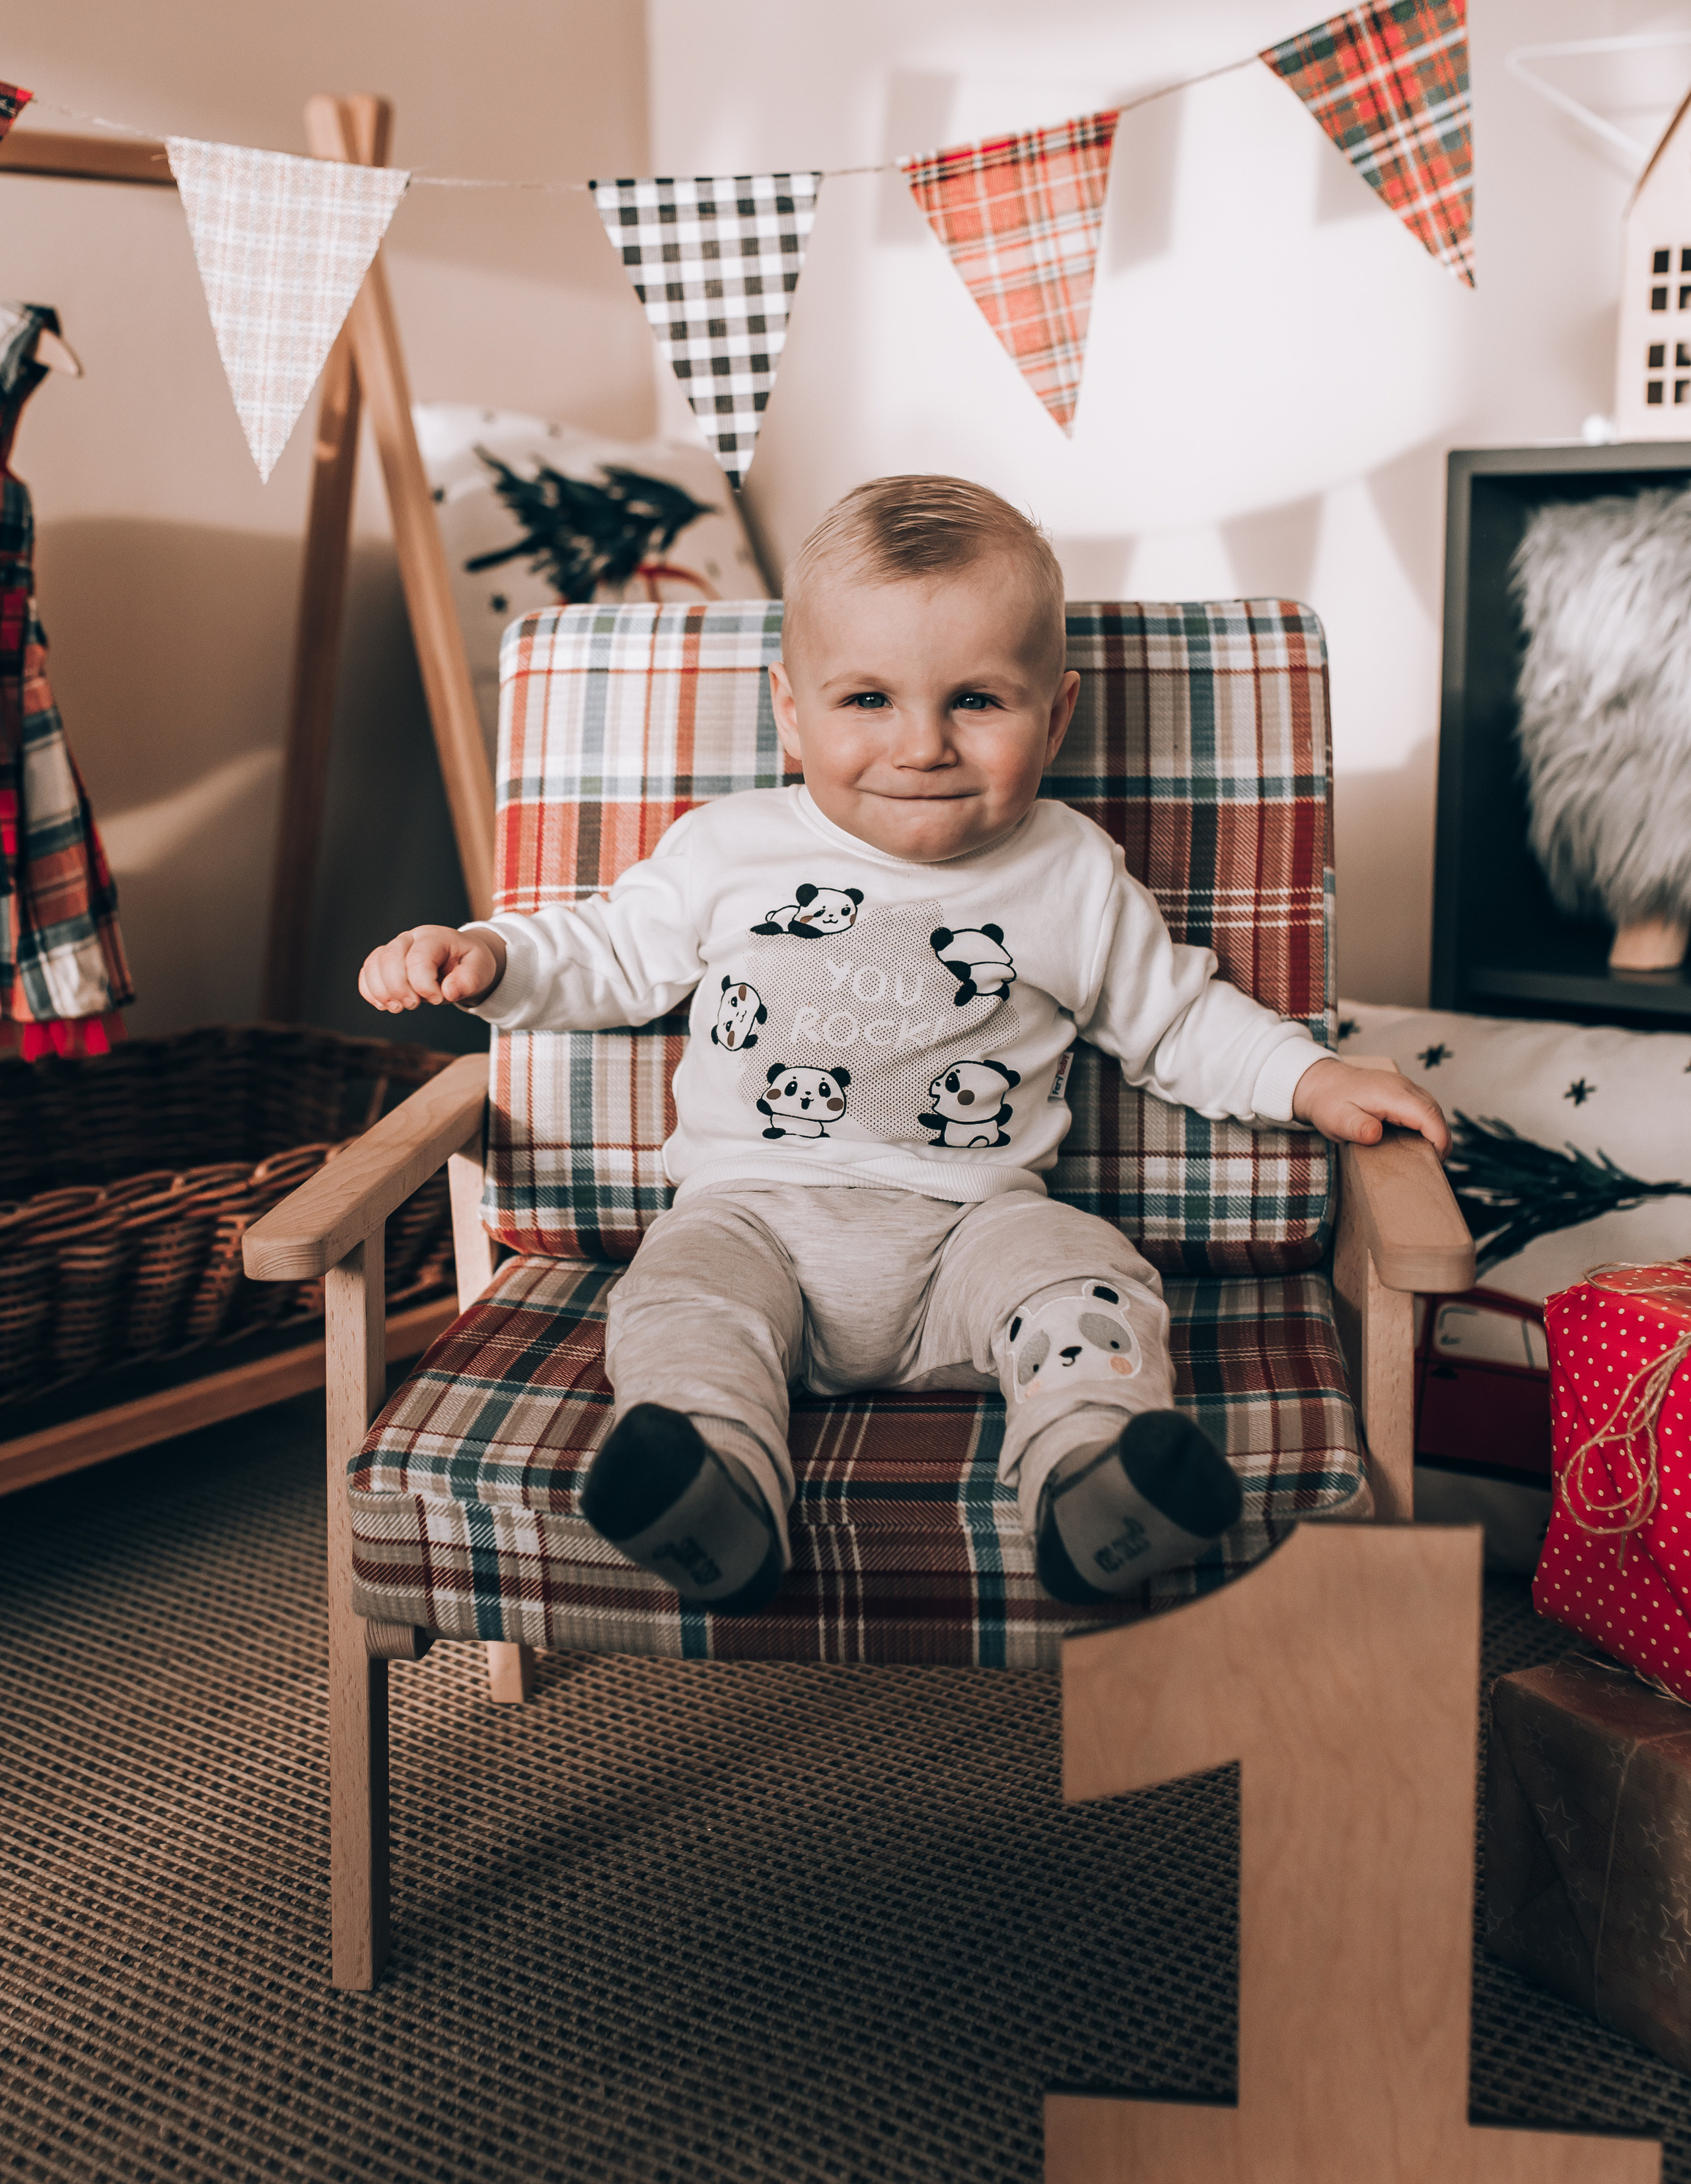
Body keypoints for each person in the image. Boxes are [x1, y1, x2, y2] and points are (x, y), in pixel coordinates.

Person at [359, 476, 1448, 1616]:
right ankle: (713, 1486)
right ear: (790, 710)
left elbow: (1176, 1017)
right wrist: (490, 955)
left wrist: (1313, 1077)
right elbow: (612, 952)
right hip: (750, 1221)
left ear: (1057, 715)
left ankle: (1095, 1474)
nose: (921, 745)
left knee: (1082, 1276)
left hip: (971, 1232)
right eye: (868, 698)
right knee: (678, 1306)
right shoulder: (729, 848)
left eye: (976, 699)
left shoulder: (1068, 870)